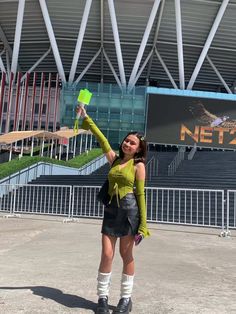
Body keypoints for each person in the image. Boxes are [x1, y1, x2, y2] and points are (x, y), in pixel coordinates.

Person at [76, 105, 150, 314]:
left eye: (132, 143)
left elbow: (141, 195)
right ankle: (102, 298)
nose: (127, 144)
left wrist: (143, 226)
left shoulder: (138, 166)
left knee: (126, 256)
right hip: (111, 211)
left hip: (129, 213)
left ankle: (125, 299)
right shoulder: (114, 160)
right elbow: (102, 140)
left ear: (139, 149)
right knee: (107, 255)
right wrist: (86, 117)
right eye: (127, 141)